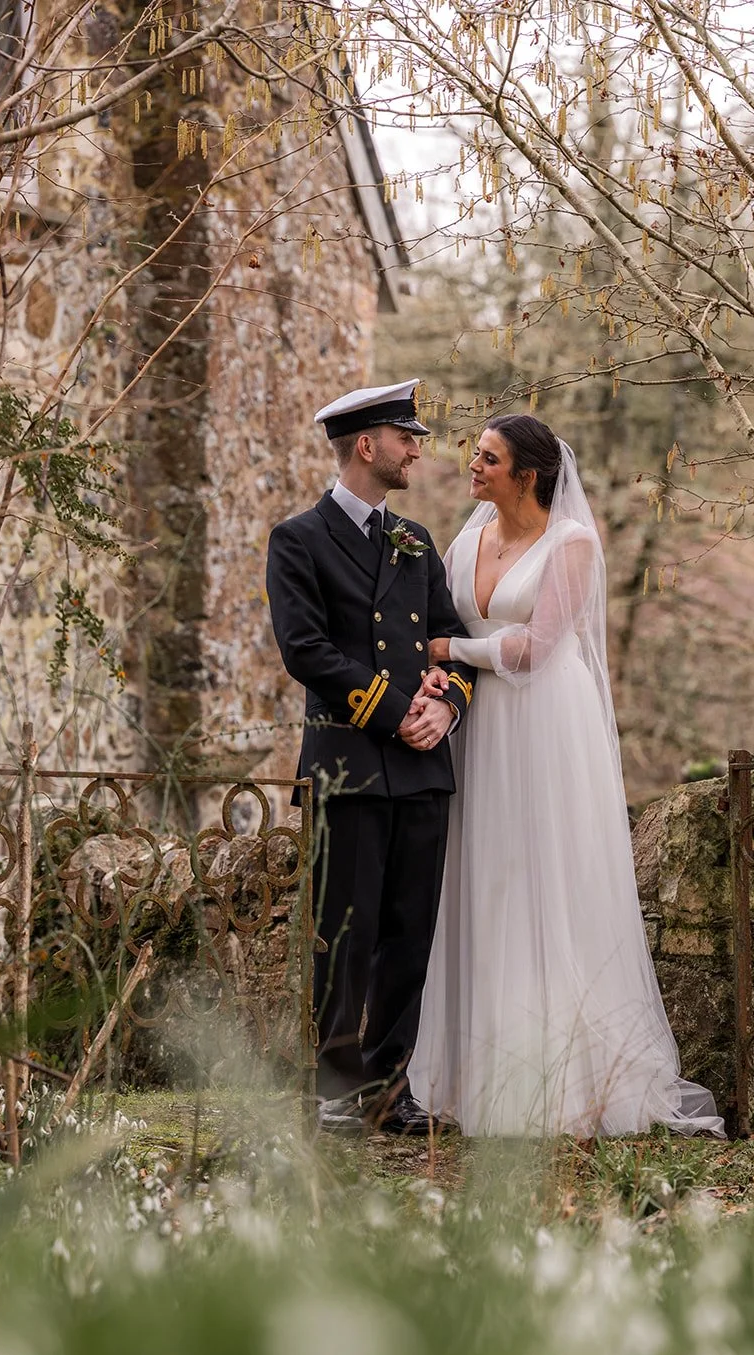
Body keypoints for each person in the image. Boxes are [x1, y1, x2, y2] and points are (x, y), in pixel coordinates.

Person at [406, 414, 724, 1138]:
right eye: (475, 455)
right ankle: (472, 1071)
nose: (472, 466)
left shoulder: (571, 542)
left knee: (542, 880)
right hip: (481, 726)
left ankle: (565, 1083)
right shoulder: (466, 539)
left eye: (488, 458)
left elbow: (531, 649)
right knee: (483, 880)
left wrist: (449, 644)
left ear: (528, 475)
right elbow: (455, 636)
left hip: (545, 723)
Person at [266, 379, 476, 1134]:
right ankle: (335, 1088)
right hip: (349, 764)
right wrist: (399, 714)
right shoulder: (297, 538)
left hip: (421, 771)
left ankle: (390, 1091)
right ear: (366, 445)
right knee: (344, 937)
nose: (415, 449)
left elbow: (450, 642)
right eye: (405, 437)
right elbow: (307, 652)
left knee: (407, 937)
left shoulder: (414, 540)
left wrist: (446, 705)